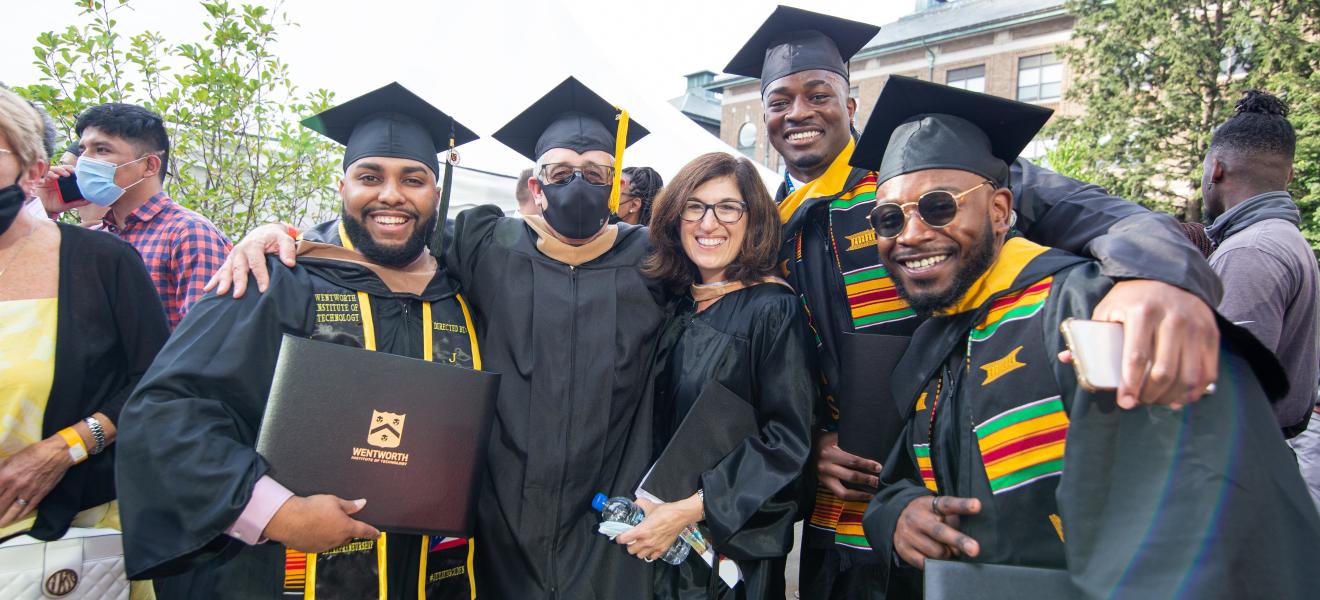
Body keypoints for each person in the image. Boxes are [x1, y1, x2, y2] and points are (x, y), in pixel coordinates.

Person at [721, 8, 1224, 596]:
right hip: (839, 501)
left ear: (850, 103)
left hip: (953, 465)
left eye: (818, 93)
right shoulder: (763, 226)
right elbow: (772, 360)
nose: (799, 113)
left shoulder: (917, 166)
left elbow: (1107, 216)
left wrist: (1155, 278)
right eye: (780, 101)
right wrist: (810, 443)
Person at [851, 78, 1318, 599]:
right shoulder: (932, 343)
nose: (910, 234)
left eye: (940, 206)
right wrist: (896, 514)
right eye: (889, 218)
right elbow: (896, 478)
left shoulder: (1094, 309)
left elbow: (1224, 515)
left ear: (1002, 211)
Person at [205, 76, 664, 599]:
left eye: (595, 173)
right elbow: (384, 238)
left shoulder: (655, 260)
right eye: (560, 172)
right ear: (535, 185)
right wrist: (287, 234)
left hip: (607, 518)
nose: (577, 184)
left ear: (617, 184)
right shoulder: (487, 242)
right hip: (500, 519)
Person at [116, 83, 484, 599]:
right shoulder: (275, 279)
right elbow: (167, 412)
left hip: (426, 575)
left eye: (414, 179)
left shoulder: (465, 295)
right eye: (370, 176)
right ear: (342, 186)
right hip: (279, 570)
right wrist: (274, 511)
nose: (391, 195)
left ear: (435, 194)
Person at [619, 152, 814, 599]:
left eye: (728, 207)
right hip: (655, 535)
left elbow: (787, 441)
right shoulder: (676, 304)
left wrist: (687, 510)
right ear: (675, 218)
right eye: (695, 206)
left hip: (724, 553)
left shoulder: (771, 309)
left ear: (753, 220)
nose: (710, 223)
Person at [0, 87, 168, 597]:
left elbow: (162, 378)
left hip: (64, 539)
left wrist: (64, 448)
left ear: (33, 170)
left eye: (105, 150)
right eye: (87, 149)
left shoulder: (102, 260)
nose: (91, 161)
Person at [1200, 90, 1320, 510]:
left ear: (1214, 169)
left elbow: (1226, 395)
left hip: (1244, 474)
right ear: (1287, 178)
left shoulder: (1251, 251)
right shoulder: (1285, 240)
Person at [35, 102, 231, 329]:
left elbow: (204, 338)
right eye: (82, 151)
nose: (84, 162)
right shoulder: (94, 236)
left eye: (102, 150)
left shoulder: (188, 233)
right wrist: (45, 208)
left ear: (149, 166)